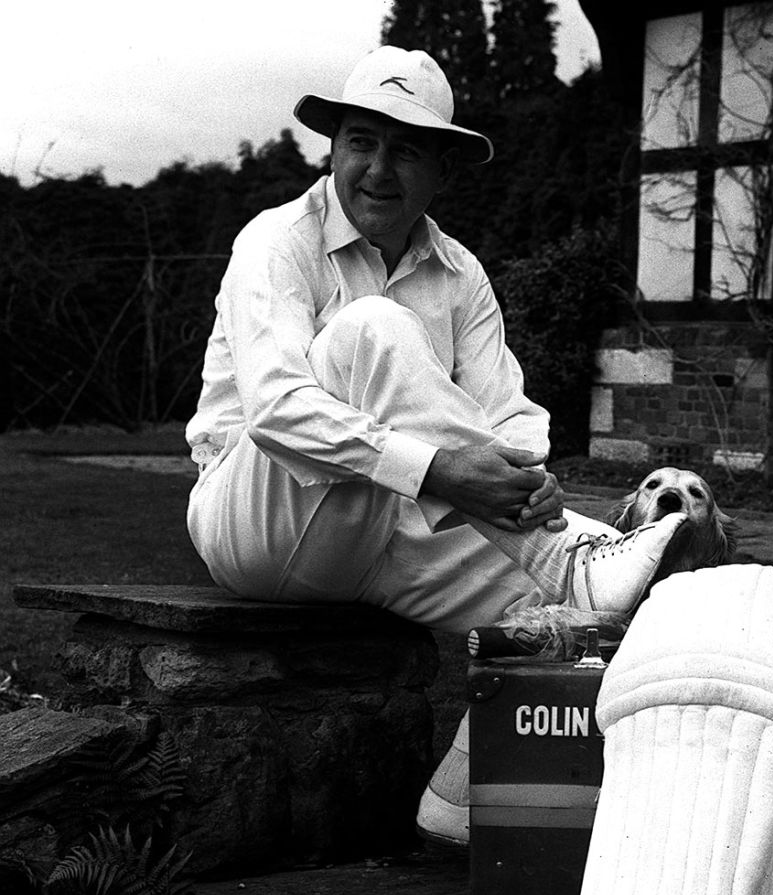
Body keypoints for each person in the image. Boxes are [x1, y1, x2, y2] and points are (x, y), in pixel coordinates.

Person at [184, 46, 684, 843]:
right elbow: (277, 411)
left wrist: (528, 477)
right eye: (361, 142)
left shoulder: (460, 272)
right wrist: (446, 468)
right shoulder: (276, 241)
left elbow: (509, 416)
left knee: (594, 611)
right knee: (374, 329)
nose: (378, 169)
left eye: (407, 148)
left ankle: (455, 801)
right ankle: (565, 552)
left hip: (379, 530)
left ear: (443, 168)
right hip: (255, 522)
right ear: (334, 147)